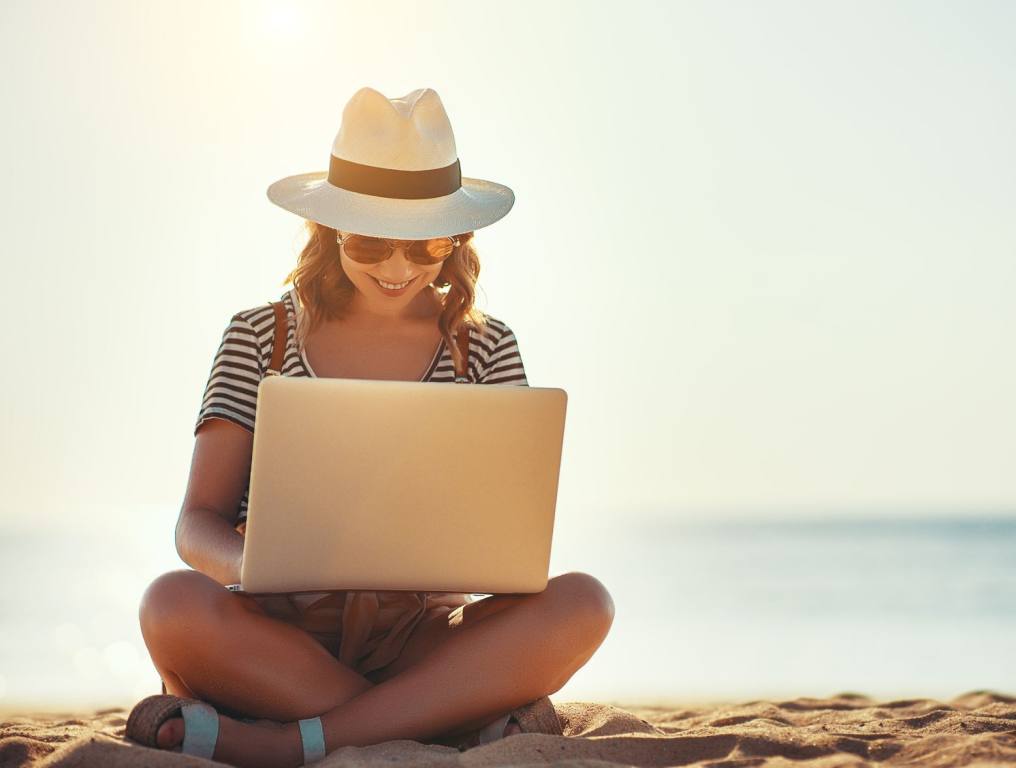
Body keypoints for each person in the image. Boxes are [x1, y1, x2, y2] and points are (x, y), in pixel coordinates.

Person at [126, 87, 615, 768]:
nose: (397, 269)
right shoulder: (257, 335)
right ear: (329, 230)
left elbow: (510, 540)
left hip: (421, 635)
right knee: (170, 605)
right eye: (372, 243)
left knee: (584, 603)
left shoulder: (486, 346)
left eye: (427, 248)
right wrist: (255, 568)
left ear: (458, 242)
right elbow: (196, 523)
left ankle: (289, 741)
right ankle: (439, 720)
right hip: (279, 633)